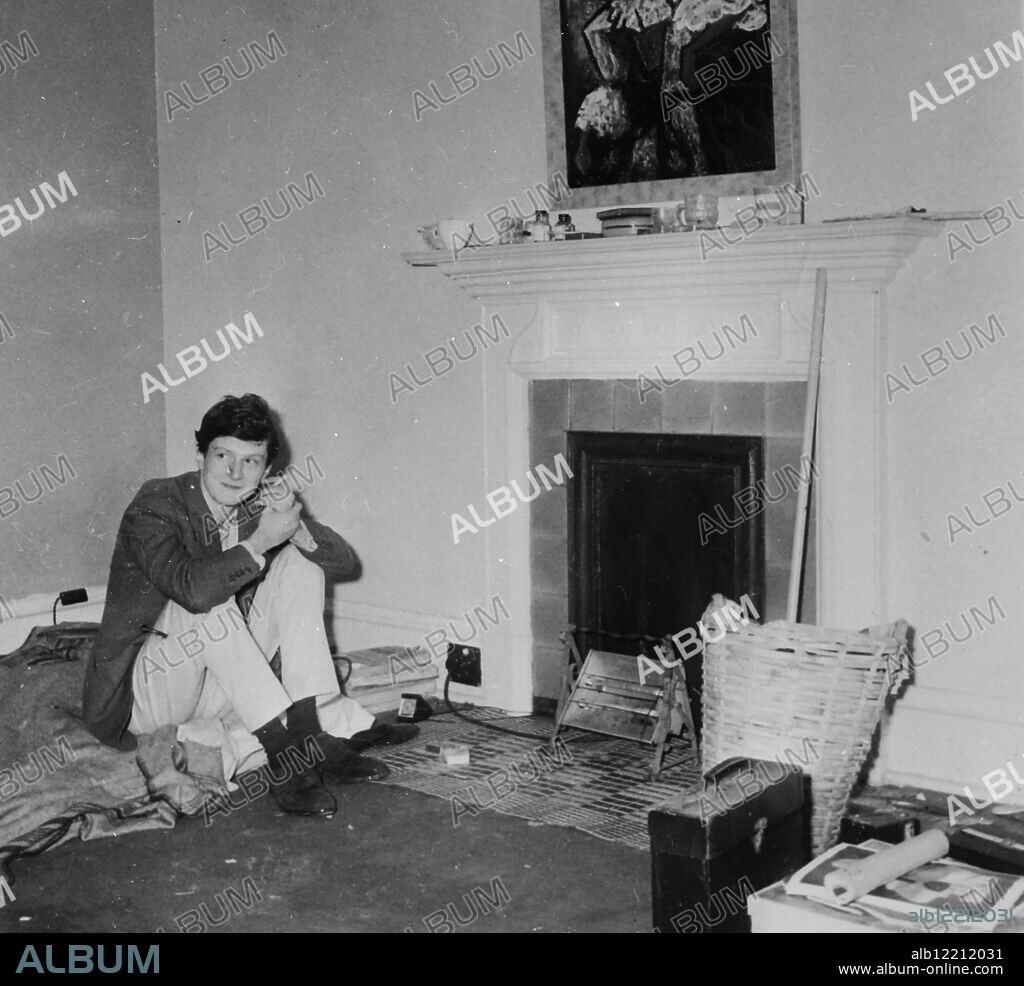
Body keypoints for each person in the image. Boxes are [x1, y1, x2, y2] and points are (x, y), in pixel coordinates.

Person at [83, 393, 417, 817]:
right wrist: (261, 540)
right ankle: (282, 754)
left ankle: (307, 732)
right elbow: (193, 590)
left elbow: (344, 562)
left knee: (302, 563)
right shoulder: (157, 503)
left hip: (218, 685)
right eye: (223, 454)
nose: (234, 472)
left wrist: (292, 528)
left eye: (251, 461)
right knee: (205, 601)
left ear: (267, 469)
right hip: (148, 695)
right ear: (201, 453)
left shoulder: (252, 505)